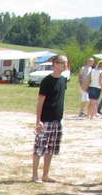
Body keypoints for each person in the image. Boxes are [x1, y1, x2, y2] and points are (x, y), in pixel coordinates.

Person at [31, 54, 69, 183]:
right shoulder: (47, 81)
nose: (65, 65)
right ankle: (34, 175)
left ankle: (45, 175)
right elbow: (40, 102)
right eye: (62, 62)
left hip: (57, 121)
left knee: (51, 149)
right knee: (39, 148)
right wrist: (38, 121)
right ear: (55, 64)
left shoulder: (63, 80)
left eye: (66, 63)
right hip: (45, 120)